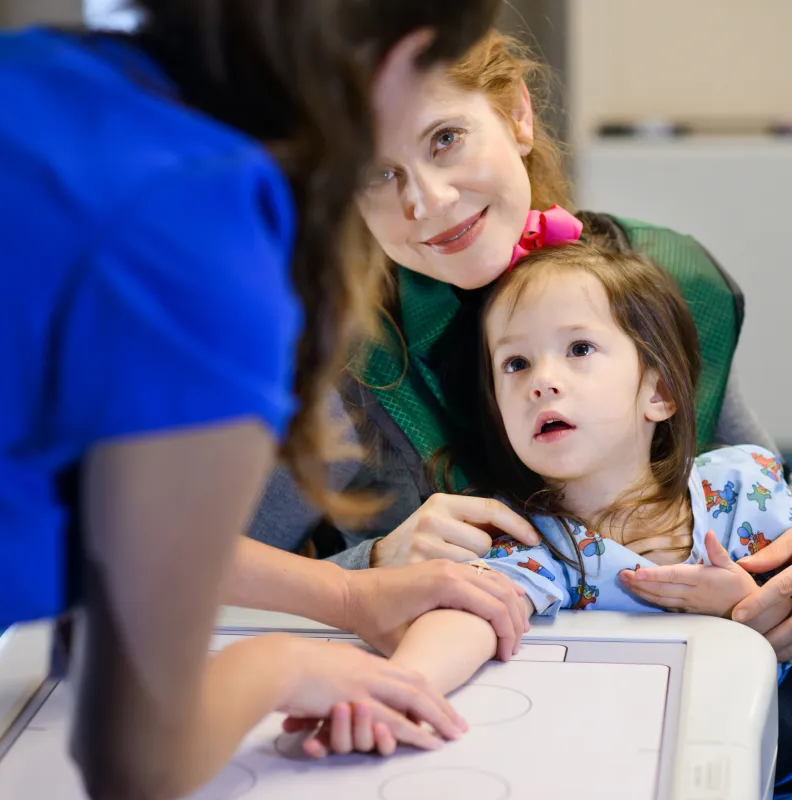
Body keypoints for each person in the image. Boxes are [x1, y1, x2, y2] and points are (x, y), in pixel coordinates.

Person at [0, 2, 532, 797]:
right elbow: (137, 758)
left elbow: (109, 527)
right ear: (400, 54)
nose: (423, 195)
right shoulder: (204, 240)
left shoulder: (37, 79)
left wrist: (348, 594)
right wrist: (289, 664)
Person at [242, 29, 783, 607]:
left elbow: (767, 502)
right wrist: (371, 566)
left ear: (518, 114)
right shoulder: (348, 356)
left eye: (445, 138)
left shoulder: (662, 279)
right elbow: (186, 570)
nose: (427, 202)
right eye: (378, 175)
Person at [320, 240, 792, 761]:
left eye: (580, 349)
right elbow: (470, 616)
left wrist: (743, 605)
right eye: (516, 363)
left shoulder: (746, 483)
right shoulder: (531, 538)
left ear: (658, 392)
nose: (542, 382)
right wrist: (399, 688)